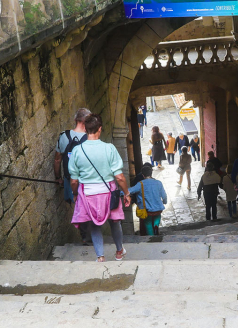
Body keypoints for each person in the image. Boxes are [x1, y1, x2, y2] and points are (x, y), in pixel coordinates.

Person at [69, 114, 131, 262]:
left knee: (94, 224)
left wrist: (75, 194)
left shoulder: (77, 151)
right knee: (115, 222)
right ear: (100, 129)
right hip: (108, 192)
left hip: (87, 193)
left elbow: (74, 180)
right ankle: (119, 252)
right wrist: (126, 193)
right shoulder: (109, 148)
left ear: (85, 129)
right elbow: (120, 177)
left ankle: (100, 257)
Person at [54, 108, 91, 204]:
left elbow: (57, 160)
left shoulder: (63, 136)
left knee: (76, 205)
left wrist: (58, 178)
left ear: (75, 120)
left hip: (69, 179)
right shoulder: (90, 139)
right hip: (86, 181)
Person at [129, 165, 168, 236]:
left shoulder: (140, 184)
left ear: (143, 175)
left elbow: (130, 191)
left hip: (147, 210)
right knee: (157, 217)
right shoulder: (158, 183)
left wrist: (119, 193)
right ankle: (156, 225)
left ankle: (151, 236)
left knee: (148, 223)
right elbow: (164, 195)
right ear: (151, 173)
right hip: (158, 208)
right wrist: (164, 202)